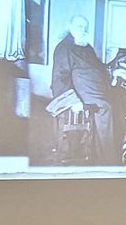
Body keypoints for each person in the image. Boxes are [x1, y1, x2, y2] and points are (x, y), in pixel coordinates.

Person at [51, 15, 119, 165]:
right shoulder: (63, 48)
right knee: (106, 107)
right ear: (70, 27)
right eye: (80, 26)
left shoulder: (85, 46)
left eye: (86, 27)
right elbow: (59, 79)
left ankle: (102, 154)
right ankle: (108, 161)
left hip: (96, 90)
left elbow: (98, 67)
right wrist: (73, 101)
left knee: (118, 101)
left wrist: (113, 72)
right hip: (82, 96)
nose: (85, 30)